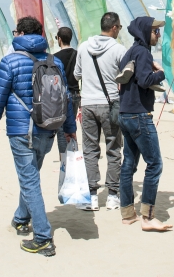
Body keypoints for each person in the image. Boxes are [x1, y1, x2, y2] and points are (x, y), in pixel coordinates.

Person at [0, 16, 76, 257]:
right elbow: (66, 98)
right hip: (49, 129)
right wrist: (68, 128)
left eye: (16, 32)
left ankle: (43, 237)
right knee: (31, 175)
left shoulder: (10, 62)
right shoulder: (54, 61)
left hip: (21, 131)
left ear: (22, 34)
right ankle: (21, 218)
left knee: (29, 180)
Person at [118, 16, 172, 232]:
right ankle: (147, 217)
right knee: (155, 163)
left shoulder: (130, 52)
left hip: (126, 113)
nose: (158, 35)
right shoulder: (142, 53)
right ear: (145, 32)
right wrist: (160, 73)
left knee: (129, 164)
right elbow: (144, 80)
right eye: (155, 31)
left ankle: (127, 213)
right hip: (139, 115)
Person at [74, 13, 126, 211]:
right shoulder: (119, 50)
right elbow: (125, 76)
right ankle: (112, 195)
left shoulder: (83, 47)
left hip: (87, 103)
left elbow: (76, 74)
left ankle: (92, 196)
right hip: (110, 103)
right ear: (114, 28)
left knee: (90, 149)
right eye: (119, 27)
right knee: (113, 149)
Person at [54, 26, 80, 162]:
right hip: (75, 93)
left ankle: (64, 157)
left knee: (60, 129)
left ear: (59, 39)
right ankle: (71, 154)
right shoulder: (77, 55)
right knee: (71, 125)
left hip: (60, 95)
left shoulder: (55, 58)